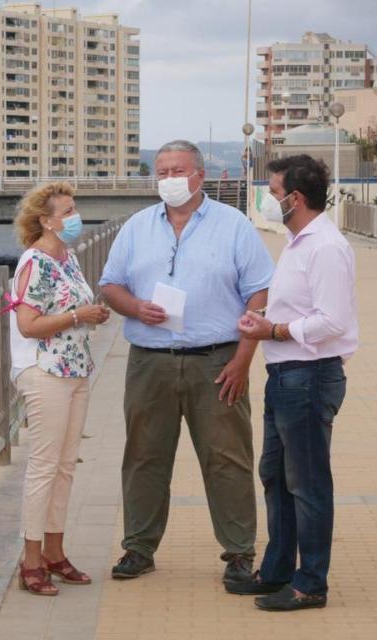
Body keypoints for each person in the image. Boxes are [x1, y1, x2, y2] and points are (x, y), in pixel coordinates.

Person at [99, 140, 275, 586]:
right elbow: (110, 285)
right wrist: (136, 308)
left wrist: (242, 360)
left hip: (216, 360)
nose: (169, 179)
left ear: (200, 175)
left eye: (178, 170)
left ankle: (239, 554)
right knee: (143, 456)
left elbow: (259, 292)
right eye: (162, 171)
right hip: (149, 362)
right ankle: (138, 548)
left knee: (227, 459)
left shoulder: (233, 225)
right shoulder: (137, 226)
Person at [231, 155, 357, 611]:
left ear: (295, 198)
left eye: (273, 190)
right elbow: (302, 308)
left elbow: (333, 321)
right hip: (285, 373)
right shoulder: (298, 242)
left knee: (307, 483)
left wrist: (275, 331)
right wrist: (265, 320)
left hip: (308, 375)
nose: (268, 198)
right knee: (276, 477)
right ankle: (278, 569)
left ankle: (310, 583)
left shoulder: (325, 247)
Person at [3, 181, 110, 596]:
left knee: (65, 466)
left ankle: (54, 551)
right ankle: (30, 561)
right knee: (45, 466)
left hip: (75, 370)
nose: (74, 216)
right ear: (45, 221)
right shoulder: (35, 262)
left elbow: (69, 311)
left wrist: (88, 316)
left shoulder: (67, 257)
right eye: (66, 212)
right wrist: (76, 315)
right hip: (44, 370)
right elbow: (28, 324)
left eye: (73, 208)